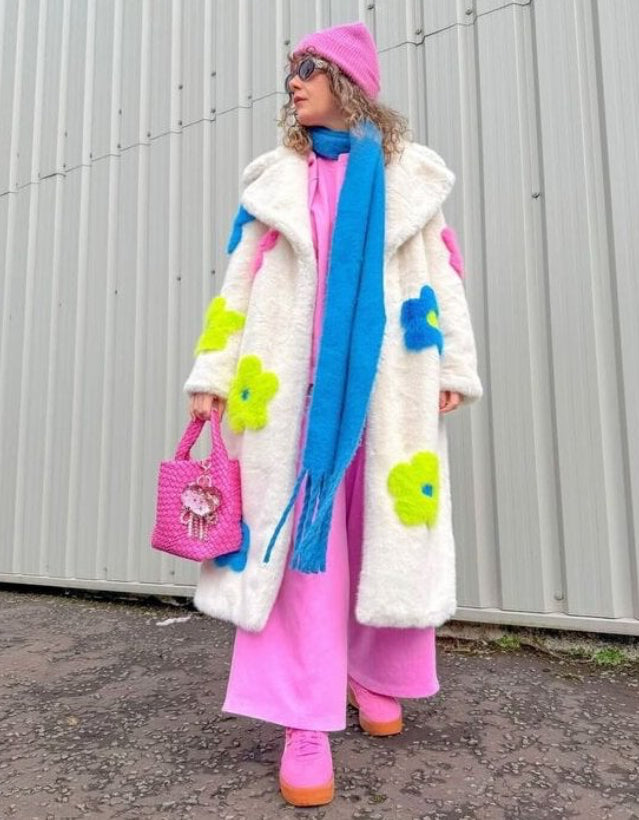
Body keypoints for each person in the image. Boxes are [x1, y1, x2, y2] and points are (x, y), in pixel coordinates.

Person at [184, 21, 482, 807]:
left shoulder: (410, 177)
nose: (294, 82)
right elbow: (237, 284)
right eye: (291, 70)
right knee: (302, 553)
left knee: (380, 534)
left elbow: (442, 273)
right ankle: (303, 718)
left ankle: (366, 670)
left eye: (309, 68)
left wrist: (453, 363)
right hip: (288, 398)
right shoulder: (276, 182)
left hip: (386, 388)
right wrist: (212, 372)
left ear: (348, 82)